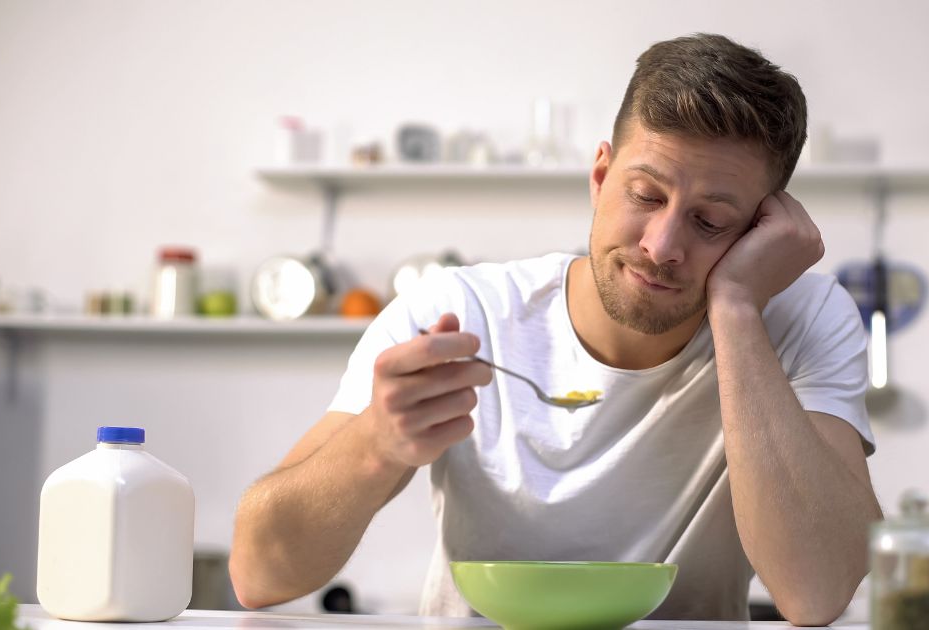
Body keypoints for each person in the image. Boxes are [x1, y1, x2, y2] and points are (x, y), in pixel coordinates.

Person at [230, 32, 882, 626]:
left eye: (711, 221)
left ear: (760, 231)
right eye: (646, 196)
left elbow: (818, 593)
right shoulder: (461, 311)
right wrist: (377, 442)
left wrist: (737, 308)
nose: (661, 245)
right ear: (600, 177)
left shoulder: (801, 317)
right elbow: (259, 575)